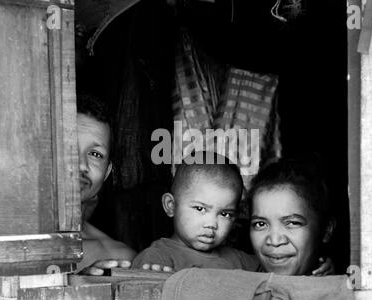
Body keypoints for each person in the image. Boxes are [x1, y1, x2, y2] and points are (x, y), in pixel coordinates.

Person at [132, 151, 333, 274]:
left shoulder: (241, 260)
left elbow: (283, 271)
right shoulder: (157, 258)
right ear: (170, 205)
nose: (211, 224)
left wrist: (318, 269)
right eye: (200, 209)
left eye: (225, 214)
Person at [76, 94, 136, 275]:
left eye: (95, 154)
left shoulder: (119, 259)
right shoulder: (4, 239)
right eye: (69, 147)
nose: (81, 165)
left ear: (107, 172)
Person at [248, 157, 336, 276]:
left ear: (326, 230)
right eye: (261, 224)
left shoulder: (345, 285)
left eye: (292, 223)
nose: (274, 241)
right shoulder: (237, 271)